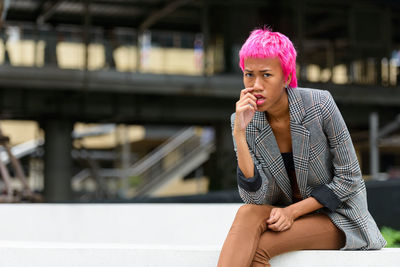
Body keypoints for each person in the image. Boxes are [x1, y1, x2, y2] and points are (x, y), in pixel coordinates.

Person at [217, 27, 386, 267]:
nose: (255, 84)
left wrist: (292, 212)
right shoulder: (244, 121)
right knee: (246, 213)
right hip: (282, 215)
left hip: (336, 216)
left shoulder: (319, 105)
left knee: (259, 249)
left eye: (266, 75)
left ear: (286, 77)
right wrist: (240, 135)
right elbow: (254, 197)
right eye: (248, 74)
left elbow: (349, 177)